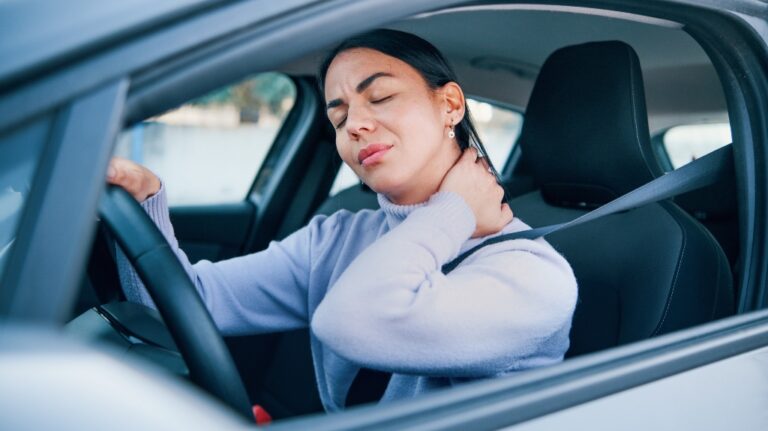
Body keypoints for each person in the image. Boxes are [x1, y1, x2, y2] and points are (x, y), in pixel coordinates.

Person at [109, 29, 577, 412]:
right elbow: (176, 303)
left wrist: (452, 209)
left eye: (381, 96)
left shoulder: (533, 276)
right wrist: (147, 200)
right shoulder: (335, 237)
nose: (355, 124)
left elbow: (352, 322)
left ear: (451, 105)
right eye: (339, 118)